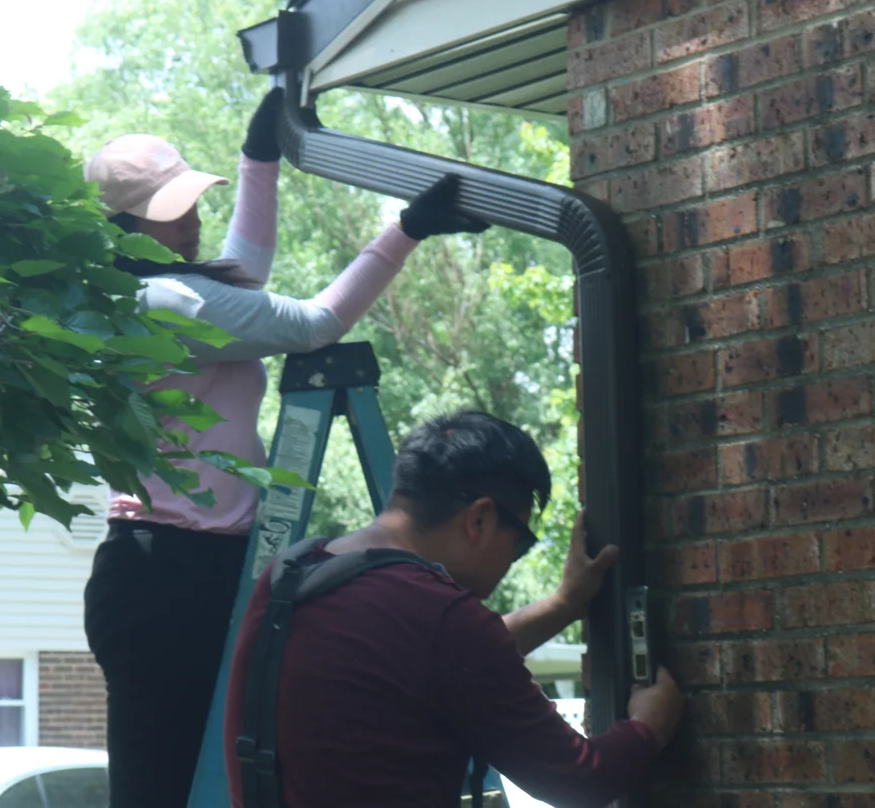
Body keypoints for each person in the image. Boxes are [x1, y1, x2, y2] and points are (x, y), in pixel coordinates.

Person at [81, 89, 489, 808]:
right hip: (167, 572)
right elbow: (314, 323)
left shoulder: (165, 290)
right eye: (172, 213)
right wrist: (406, 230)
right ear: (123, 230)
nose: (194, 221)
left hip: (196, 567)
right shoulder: (162, 303)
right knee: (166, 793)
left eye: (192, 203)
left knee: (223, 782)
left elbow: (247, 268)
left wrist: (259, 156)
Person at [223, 410, 685, 808]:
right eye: (519, 542)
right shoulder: (437, 615)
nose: (511, 559)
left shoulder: (293, 574)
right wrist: (649, 724)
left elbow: (433, 662)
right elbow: (580, 780)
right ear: (479, 519)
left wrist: (565, 605)